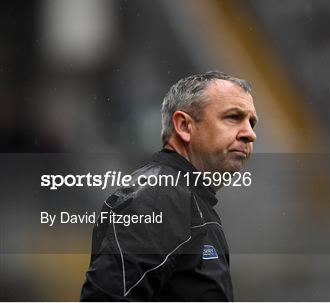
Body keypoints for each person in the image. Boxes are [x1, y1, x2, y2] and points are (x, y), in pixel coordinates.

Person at [80, 71, 258, 301]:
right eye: (234, 117)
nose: (250, 134)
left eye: (251, 122)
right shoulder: (158, 197)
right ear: (184, 126)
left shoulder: (187, 199)